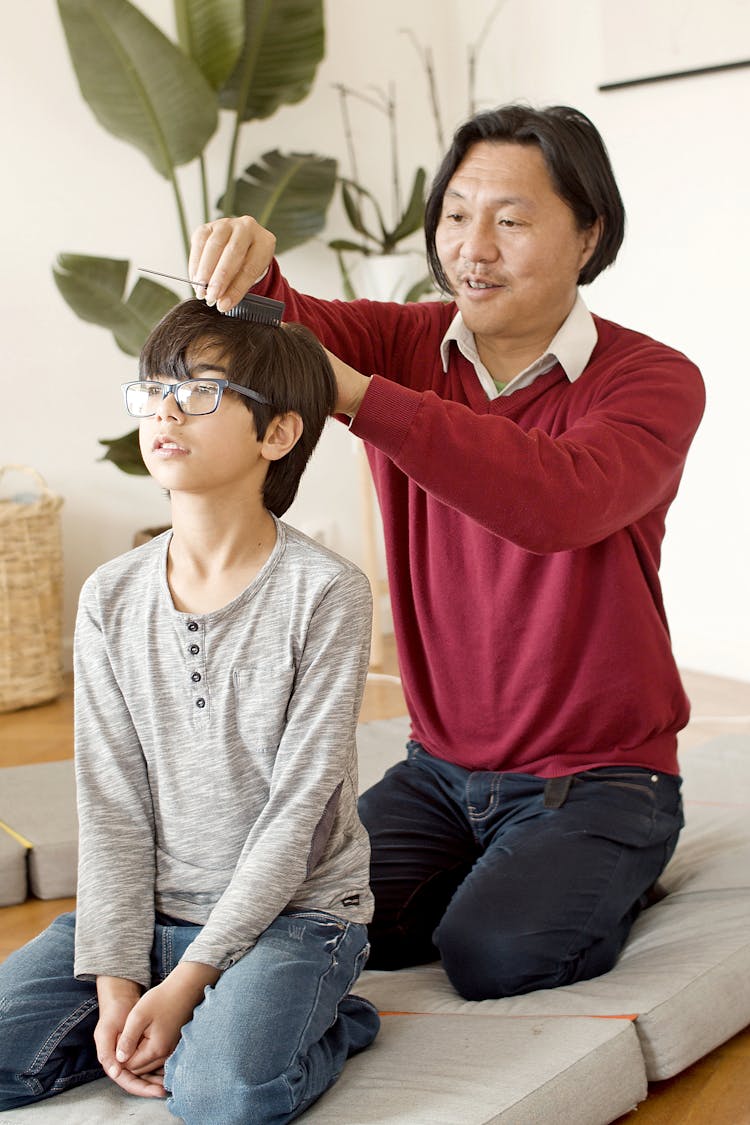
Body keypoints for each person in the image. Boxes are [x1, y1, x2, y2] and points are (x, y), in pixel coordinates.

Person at [185, 103, 706, 1004]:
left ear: (589, 234)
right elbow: (289, 326)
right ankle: (517, 870)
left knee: (494, 954)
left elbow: (557, 495)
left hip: (604, 775)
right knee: (291, 912)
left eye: (510, 220)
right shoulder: (408, 342)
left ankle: (605, 872)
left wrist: (364, 397)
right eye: (457, 215)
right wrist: (254, 264)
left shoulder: (653, 379)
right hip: (440, 770)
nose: (474, 247)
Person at [0, 300, 380, 1122]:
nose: (166, 409)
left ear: (277, 434)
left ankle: (334, 1018)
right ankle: (189, 1023)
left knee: (222, 1095)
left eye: (203, 391)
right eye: (157, 387)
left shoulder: (328, 592)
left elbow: (297, 813)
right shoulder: (110, 594)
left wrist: (187, 984)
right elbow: (110, 804)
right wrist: (116, 985)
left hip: (296, 917)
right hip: (149, 912)